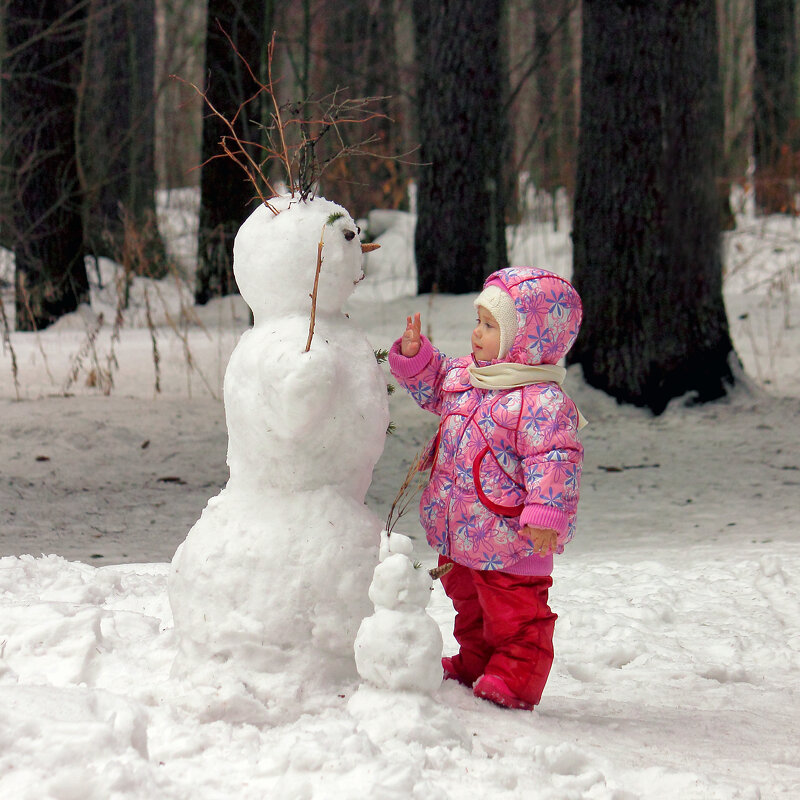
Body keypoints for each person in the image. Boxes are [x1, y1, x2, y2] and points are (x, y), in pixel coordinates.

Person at [388, 267, 584, 710]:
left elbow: (555, 460)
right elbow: (435, 381)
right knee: (468, 603)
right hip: (461, 531)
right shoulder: (466, 377)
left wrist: (545, 517)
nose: (476, 334)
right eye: (478, 321)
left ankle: (515, 677)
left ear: (527, 337)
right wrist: (417, 356)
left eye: (491, 325)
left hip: (514, 538)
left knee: (515, 614)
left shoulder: (540, 402)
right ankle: (477, 660)